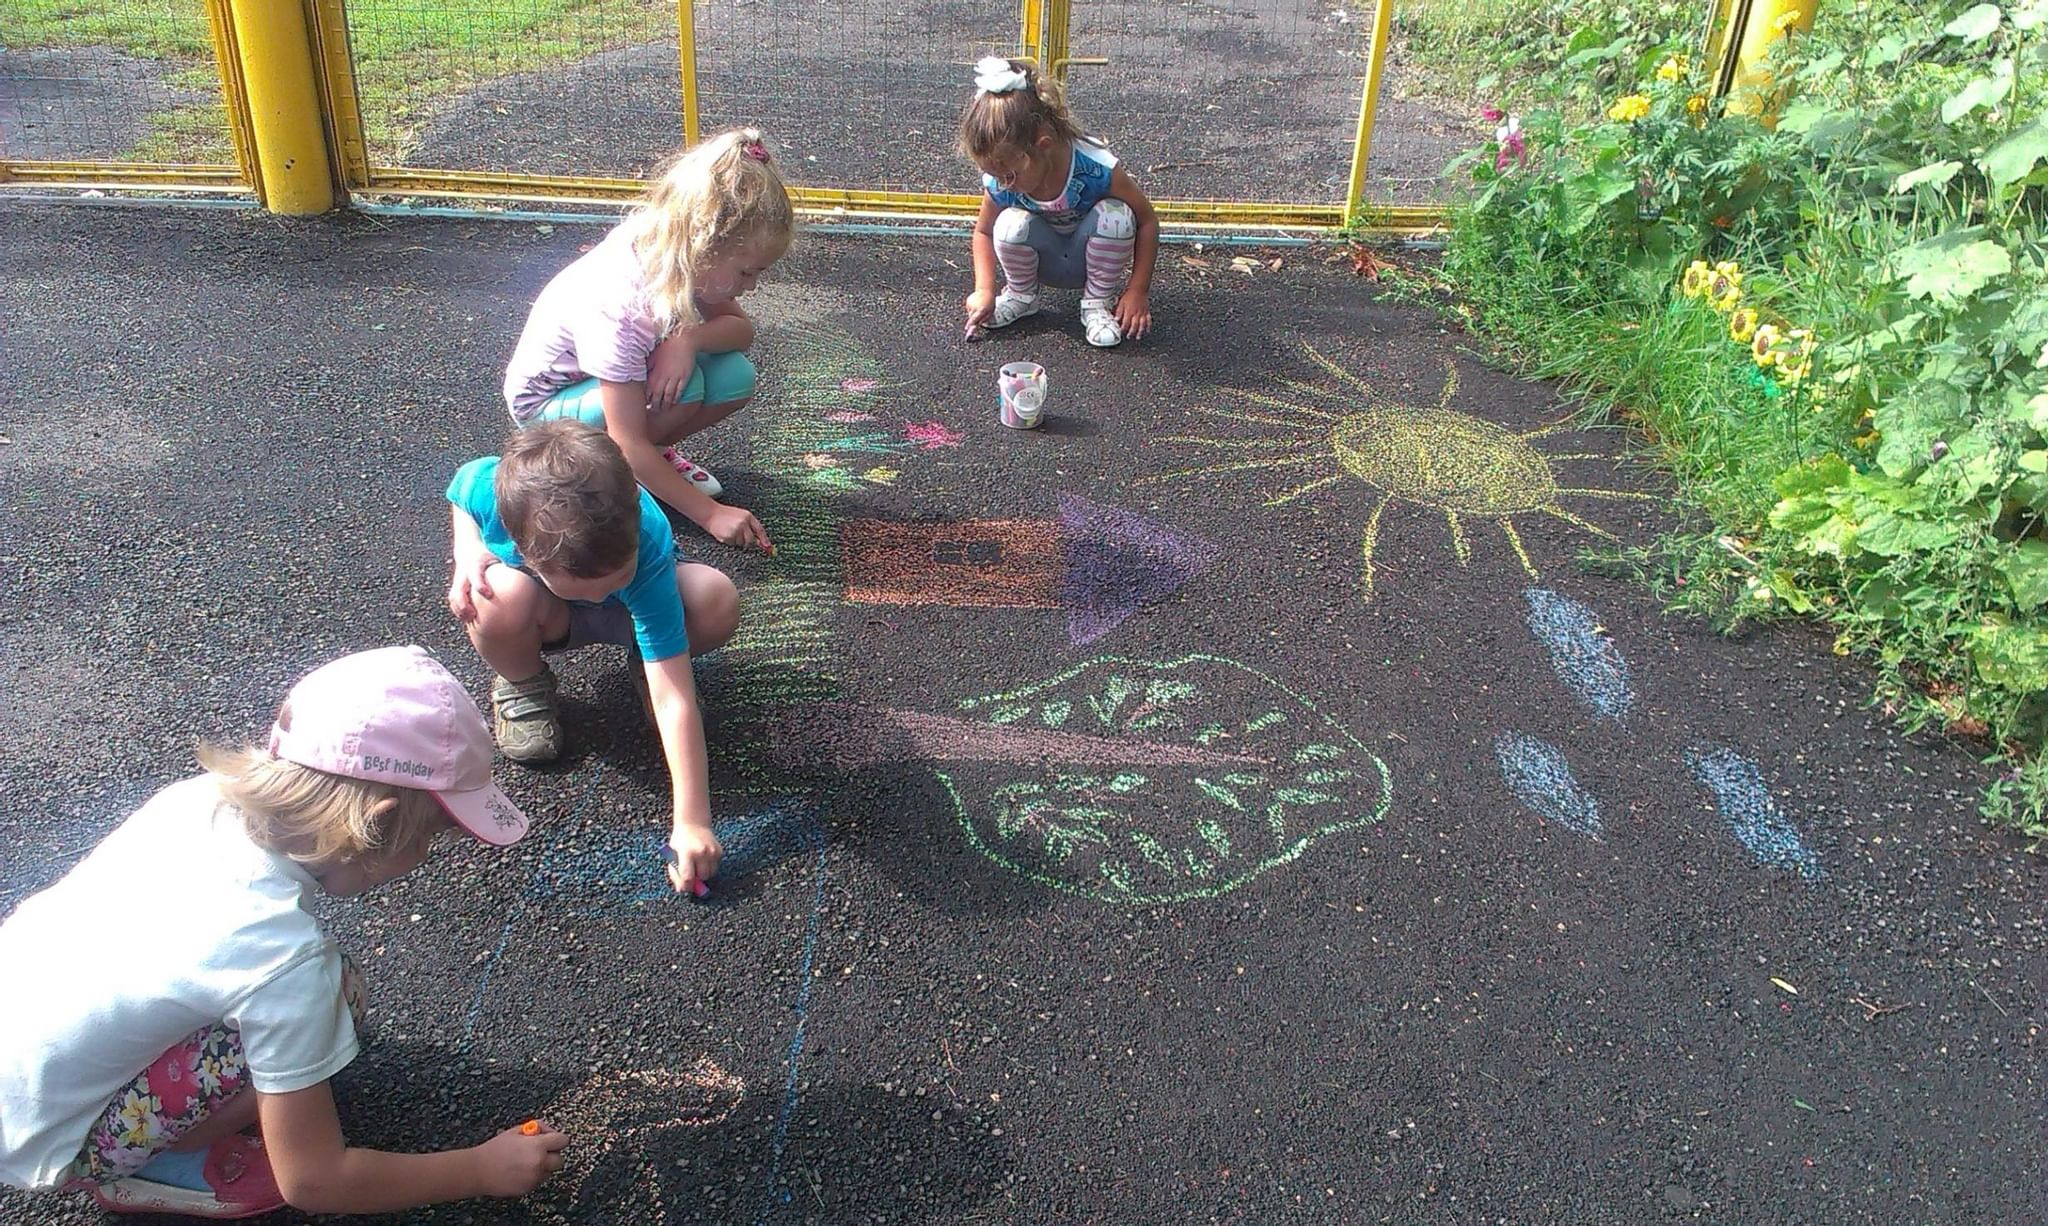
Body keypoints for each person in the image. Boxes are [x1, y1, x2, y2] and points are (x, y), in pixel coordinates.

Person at [0, 647, 567, 1218]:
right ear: (381, 824)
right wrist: (478, 1169)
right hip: (47, 1140)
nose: (428, 854)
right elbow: (316, 1181)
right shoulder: (282, 961)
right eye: (432, 836)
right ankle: (155, 1168)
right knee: (333, 994)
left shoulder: (195, 803)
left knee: (313, 999)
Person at [446, 420, 736, 890]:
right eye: (591, 585)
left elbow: (675, 700)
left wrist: (693, 821)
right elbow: (464, 484)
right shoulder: (495, 492)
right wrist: (469, 549)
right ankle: (522, 683)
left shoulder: (646, 542)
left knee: (713, 598)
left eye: (615, 578)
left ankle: (647, 660)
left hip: (635, 613)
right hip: (549, 613)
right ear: (524, 549)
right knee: (489, 595)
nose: (604, 592)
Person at [503, 126, 793, 554]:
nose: (750, 287)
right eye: (747, 272)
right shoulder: (623, 305)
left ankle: (650, 464)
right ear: (703, 245)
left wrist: (687, 340)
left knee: (733, 374)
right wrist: (711, 515)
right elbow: (626, 438)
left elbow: (741, 332)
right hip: (547, 408)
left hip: (609, 389)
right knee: (684, 388)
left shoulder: (681, 254)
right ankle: (610, 480)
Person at [960, 56, 1159, 348]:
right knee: (1008, 223)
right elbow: (984, 231)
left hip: (1090, 260)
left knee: (1116, 215)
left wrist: (1137, 291)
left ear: (1043, 146)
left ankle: (1097, 304)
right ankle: (1021, 296)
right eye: (995, 175)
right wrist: (984, 289)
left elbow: (1147, 221)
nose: (1004, 184)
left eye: (1010, 175)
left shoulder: (1096, 167)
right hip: (1046, 260)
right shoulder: (1003, 178)